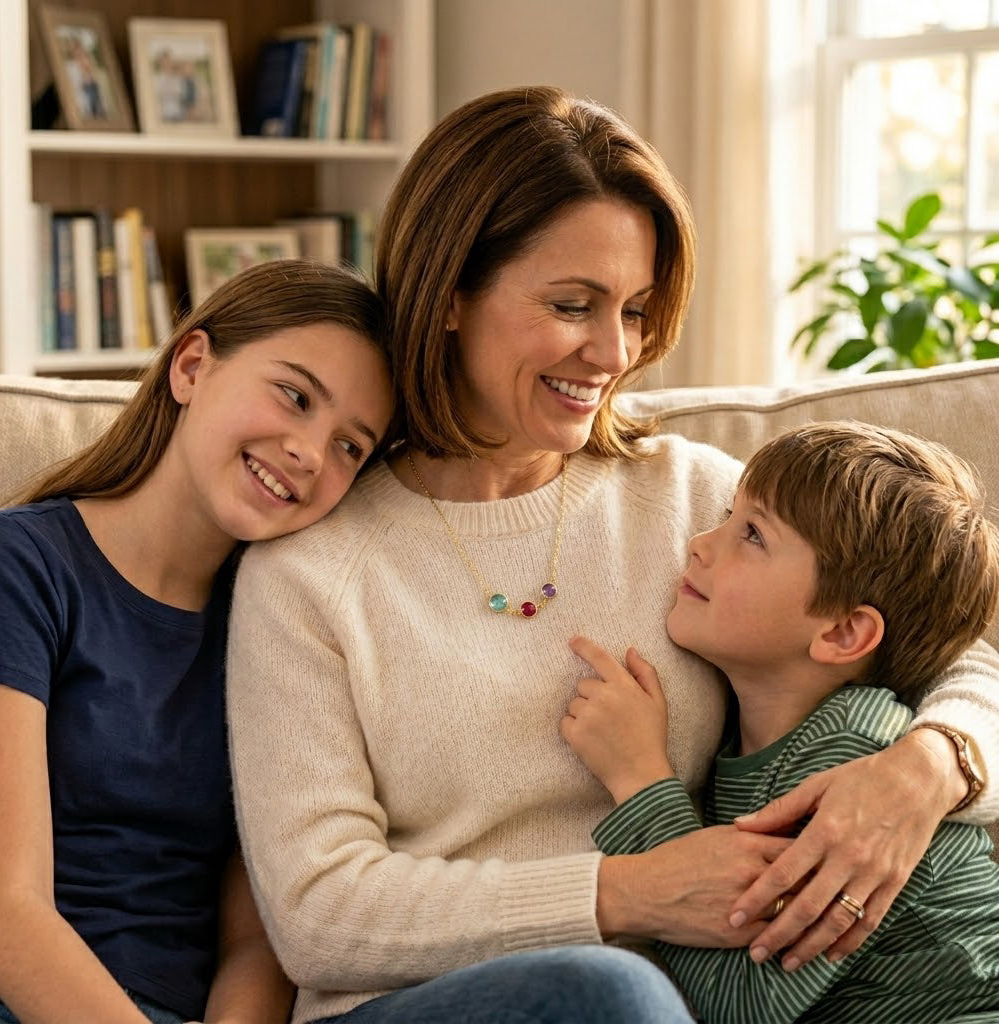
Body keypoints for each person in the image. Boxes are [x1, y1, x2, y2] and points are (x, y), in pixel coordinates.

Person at [225, 87, 999, 1024]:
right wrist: (624, 894)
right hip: (418, 1006)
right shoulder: (309, 572)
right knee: (614, 990)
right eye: (571, 305)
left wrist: (930, 766)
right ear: (450, 295)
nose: (612, 352)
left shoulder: (702, 499)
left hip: (702, 1000)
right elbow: (318, 914)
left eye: (634, 310)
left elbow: (947, 633)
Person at [0, 260, 395, 1024]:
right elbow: (3, 910)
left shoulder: (280, 621)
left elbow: (255, 937)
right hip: (11, 1004)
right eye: (295, 396)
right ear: (193, 365)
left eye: (350, 447)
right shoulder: (14, 567)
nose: (309, 451)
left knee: (586, 992)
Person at [563, 421, 999, 1023]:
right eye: (726, 514)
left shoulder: (854, 748)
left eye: (752, 535)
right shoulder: (749, 735)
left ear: (843, 632)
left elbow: (744, 1004)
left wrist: (640, 779)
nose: (699, 543)